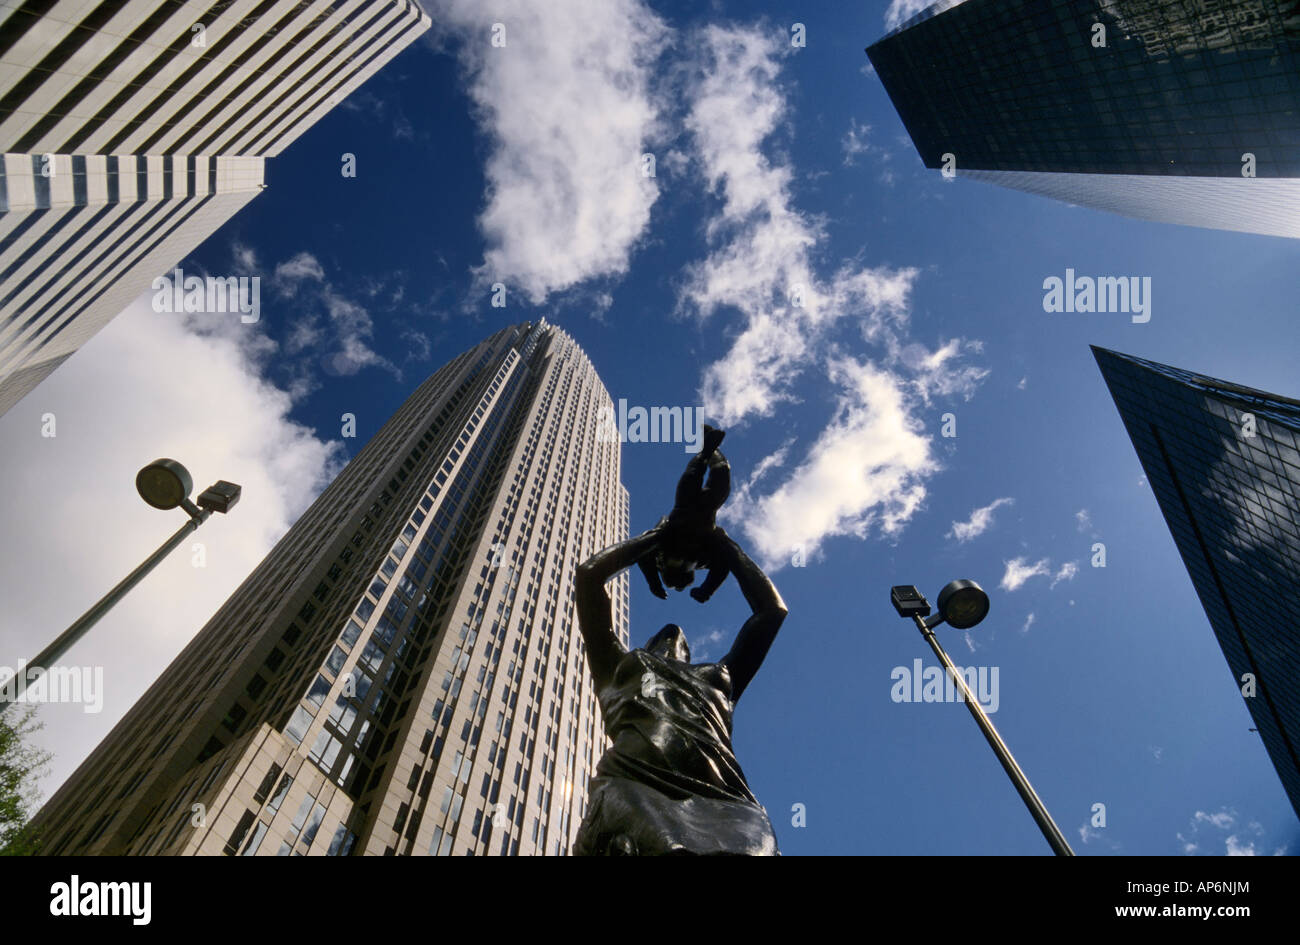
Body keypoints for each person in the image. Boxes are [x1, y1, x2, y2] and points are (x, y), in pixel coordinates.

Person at [572, 520, 788, 855]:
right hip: (637, 784)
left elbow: (772, 612)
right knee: (666, 847)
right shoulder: (617, 667)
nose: (675, 634)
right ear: (644, 649)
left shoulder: (720, 678)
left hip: (724, 799)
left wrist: (724, 543)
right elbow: (589, 577)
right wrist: (658, 536)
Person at [635, 424, 731, 604]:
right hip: (705, 513)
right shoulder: (701, 560)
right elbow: (723, 565)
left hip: (683, 511)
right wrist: (707, 590)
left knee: (698, 474)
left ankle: (706, 451)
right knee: (719, 474)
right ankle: (707, 450)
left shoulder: (658, 552)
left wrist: (654, 583)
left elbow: (642, 555)